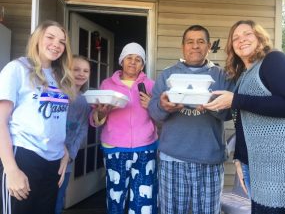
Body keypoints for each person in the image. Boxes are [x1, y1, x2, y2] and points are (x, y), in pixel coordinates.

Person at [203, 20, 285, 214]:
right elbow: (242, 119)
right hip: (253, 165)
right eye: (236, 38)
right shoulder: (245, 74)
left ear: (259, 37)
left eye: (247, 34)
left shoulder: (274, 60)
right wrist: (240, 158)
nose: (242, 40)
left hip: (281, 166)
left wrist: (236, 100)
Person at [148, 25, 234, 214]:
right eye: (190, 41)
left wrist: (212, 105)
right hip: (172, 158)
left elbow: (229, 114)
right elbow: (153, 112)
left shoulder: (221, 75)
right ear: (183, 46)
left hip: (209, 159)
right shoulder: (168, 74)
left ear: (209, 46)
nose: (195, 46)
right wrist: (164, 107)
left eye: (201, 41)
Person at [0, 20, 75, 214]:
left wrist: (64, 149)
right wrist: (11, 169)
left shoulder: (61, 77)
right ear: (37, 39)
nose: (56, 44)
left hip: (53, 162)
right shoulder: (17, 69)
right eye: (50, 37)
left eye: (62, 41)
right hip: (24, 157)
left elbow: (53, 120)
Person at [91, 42, 158, 214]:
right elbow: (94, 118)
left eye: (138, 59)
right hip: (114, 148)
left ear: (142, 65)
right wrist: (101, 112)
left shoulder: (150, 85)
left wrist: (152, 105)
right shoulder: (107, 84)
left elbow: (161, 115)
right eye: (129, 58)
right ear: (122, 60)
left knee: (144, 200)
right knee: (116, 196)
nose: (133, 62)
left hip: (145, 147)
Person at [55, 55, 91, 214]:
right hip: (48, 155)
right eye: (76, 69)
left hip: (67, 159)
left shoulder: (84, 100)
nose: (81, 74)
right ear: (67, 70)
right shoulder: (57, 93)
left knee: (58, 198)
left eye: (85, 71)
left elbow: (83, 128)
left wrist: (71, 154)